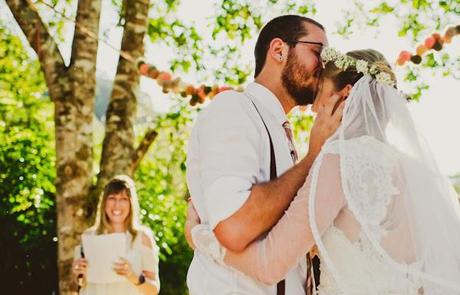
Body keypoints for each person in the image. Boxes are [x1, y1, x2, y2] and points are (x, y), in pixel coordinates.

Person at [188, 48, 460, 294]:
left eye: (319, 95)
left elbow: (269, 265)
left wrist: (200, 236)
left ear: (343, 96)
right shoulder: (415, 172)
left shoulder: (339, 163)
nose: (314, 109)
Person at [185, 14, 344, 295]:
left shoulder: (283, 133)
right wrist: (312, 158)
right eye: (319, 53)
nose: (325, 67)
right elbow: (234, 227)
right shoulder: (233, 109)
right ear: (279, 50)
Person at [72, 175, 160, 295]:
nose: (117, 205)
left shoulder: (142, 237)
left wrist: (133, 276)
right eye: (112, 198)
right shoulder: (89, 236)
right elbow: (80, 284)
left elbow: (153, 290)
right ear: (104, 203)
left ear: (131, 204)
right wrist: (79, 274)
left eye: (123, 199)